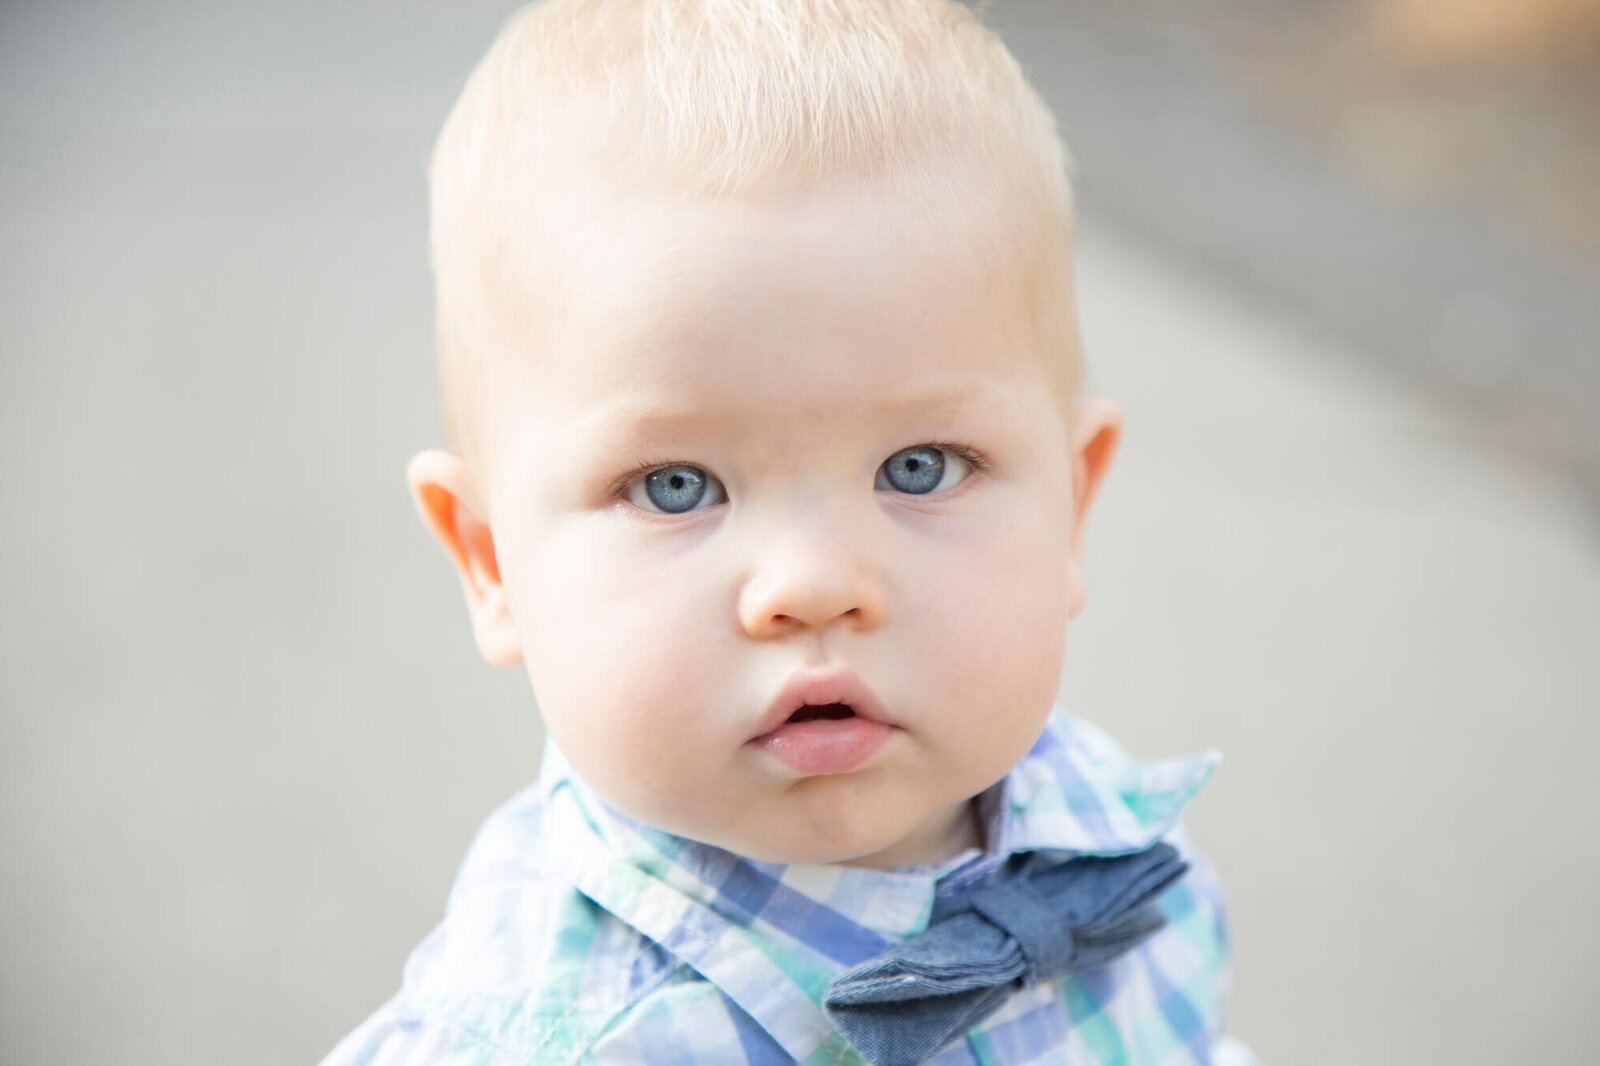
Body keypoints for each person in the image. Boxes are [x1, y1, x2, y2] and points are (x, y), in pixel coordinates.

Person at [323, 1, 1257, 1062]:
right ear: (490, 562)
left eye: (920, 467)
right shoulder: (541, 1040)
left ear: (1070, 509)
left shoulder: (1114, 841)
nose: (813, 584)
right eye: (675, 485)